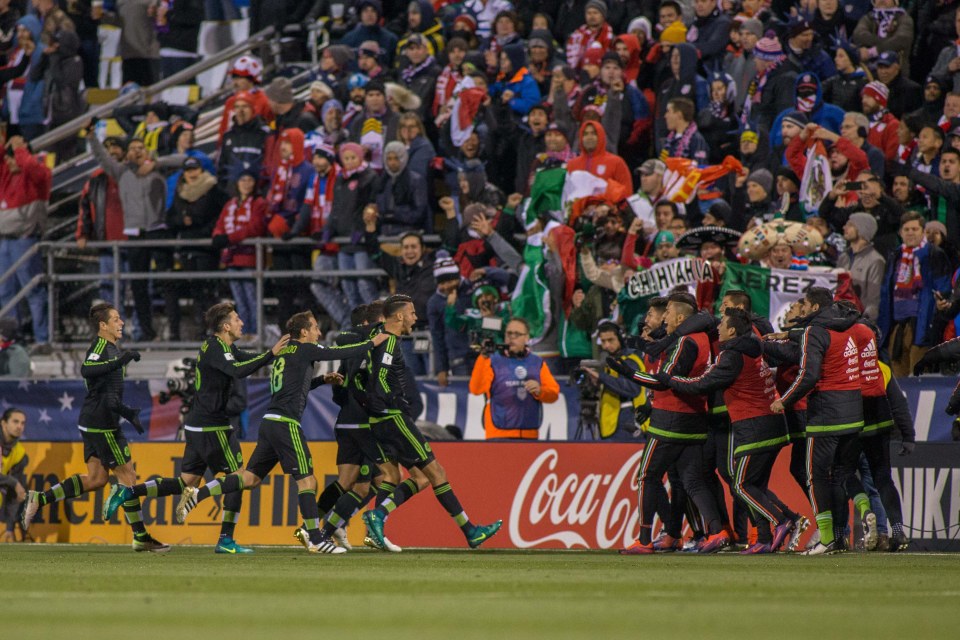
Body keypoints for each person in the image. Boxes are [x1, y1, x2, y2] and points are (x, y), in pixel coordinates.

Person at [176, 310, 386, 553]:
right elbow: (339, 352)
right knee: (308, 481)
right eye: (316, 327)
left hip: (269, 422)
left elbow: (293, 386)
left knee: (250, 479)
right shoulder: (305, 349)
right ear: (304, 332)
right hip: (286, 423)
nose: (319, 332)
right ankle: (316, 540)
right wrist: (372, 343)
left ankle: (198, 494)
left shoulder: (287, 352)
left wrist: (321, 381)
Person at [103, 302, 289, 553]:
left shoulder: (221, 347)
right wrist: (271, 355)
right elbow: (238, 370)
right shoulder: (216, 348)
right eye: (236, 319)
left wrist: (276, 354)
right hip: (213, 426)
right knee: (239, 479)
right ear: (225, 326)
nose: (241, 323)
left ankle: (127, 493)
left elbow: (248, 359)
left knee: (185, 481)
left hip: (198, 424)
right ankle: (225, 539)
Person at [20, 303, 169, 552]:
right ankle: (141, 536)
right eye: (116, 319)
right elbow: (86, 370)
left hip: (99, 420)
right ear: (103, 325)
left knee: (97, 479)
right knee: (128, 478)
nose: (121, 323)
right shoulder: (101, 346)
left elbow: (107, 394)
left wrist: (126, 412)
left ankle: (40, 498)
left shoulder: (110, 348)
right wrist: (122, 359)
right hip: (102, 424)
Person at [361, 295, 503, 549]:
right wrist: (388, 402)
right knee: (436, 473)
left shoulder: (378, 337)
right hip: (393, 417)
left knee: (420, 478)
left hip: (380, 420)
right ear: (400, 316)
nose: (416, 318)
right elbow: (380, 378)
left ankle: (379, 517)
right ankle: (470, 531)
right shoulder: (390, 342)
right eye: (412, 313)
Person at [655, 308, 796, 554]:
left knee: (740, 485)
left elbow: (703, 384)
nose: (717, 329)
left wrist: (670, 380)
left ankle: (784, 519)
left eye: (721, 326)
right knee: (754, 486)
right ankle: (764, 538)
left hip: (755, 426)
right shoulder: (751, 348)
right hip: (770, 424)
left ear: (731, 330)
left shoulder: (731, 355)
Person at [613, 293, 730, 554]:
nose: (664, 319)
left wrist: (629, 373)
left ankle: (644, 540)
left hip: (670, 418)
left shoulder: (685, 342)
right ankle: (716, 531)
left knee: (647, 475)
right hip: (696, 417)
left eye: (666, 313)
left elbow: (665, 380)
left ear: (679, 317)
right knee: (693, 481)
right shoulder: (703, 339)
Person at [768, 288, 865, 555]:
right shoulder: (847, 327)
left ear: (812, 308)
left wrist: (784, 400)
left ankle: (826, 539)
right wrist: (788, 333)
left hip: (825, 414)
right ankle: (842, 533)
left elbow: (808, 376)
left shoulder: (815, 331)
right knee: (840, 477)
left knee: (815, 476)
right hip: (854, 412)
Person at [878, 211, 951, 377]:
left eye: (914, 229)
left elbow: (943, 289)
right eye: (906, 229)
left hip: (922, 325)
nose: (910, 232)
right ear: (901, 232)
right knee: (897, 376)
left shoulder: (934, 254)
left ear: (923, 231)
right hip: (897, 324)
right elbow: (886, 292)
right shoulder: (895, 255)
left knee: (919, 375)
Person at [469, 317, 561, 439]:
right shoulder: (491, 360)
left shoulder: (537, 362)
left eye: (517, 334)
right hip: (498, 434)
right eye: (509, 333)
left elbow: (554, 394)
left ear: (527, 338)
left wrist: (540, 391)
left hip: (529, 434)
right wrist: (483, 357)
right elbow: (476, 389)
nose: (512, 337)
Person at [0, 135, 50, 351]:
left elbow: (34, 168)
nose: (11, 162)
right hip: (4, 242)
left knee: (33, 291)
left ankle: (42, 339)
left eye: (14, 158)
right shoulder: (5, 176)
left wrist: (20, 150)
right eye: (9, 158)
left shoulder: (37, 176)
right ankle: (12, 339)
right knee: (5, 293)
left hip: (25, 240)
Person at [212, 172, 267, 338]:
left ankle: (257, 334)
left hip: (250, 259)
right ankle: (245, 334)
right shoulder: (231, 203)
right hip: (232, 259)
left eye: (250, 179)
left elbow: (254, 228)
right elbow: (220, 224)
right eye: (243, 179)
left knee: (253, 300)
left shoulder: (259, 203)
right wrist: (217, 236)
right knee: (239, 302)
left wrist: (228, 238)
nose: (246, 183)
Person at [578, 320, 645, 441]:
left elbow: (633, 389)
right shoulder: (610, 362)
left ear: (620, 338)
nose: (607, 345)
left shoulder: (630, 360)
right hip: (613, 422)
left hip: (628, 421)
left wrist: (601, 377)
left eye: (611, 340)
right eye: (603, 341)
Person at [838, 212, 886, 320]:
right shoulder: (843, 257)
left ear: (862, 229)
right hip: (839, 319)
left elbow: (874, 301)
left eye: (850, 225)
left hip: (858, 321)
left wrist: (864, 322)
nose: (844, 227)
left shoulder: (876, 260)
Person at [0, 408, 27, 541]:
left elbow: (16, 493)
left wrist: (9, 527)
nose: (19, 426)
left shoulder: (19, 453)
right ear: (3, 423)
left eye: (22, 423)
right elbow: (14, 484)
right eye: (15, 421)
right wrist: (13, 482)